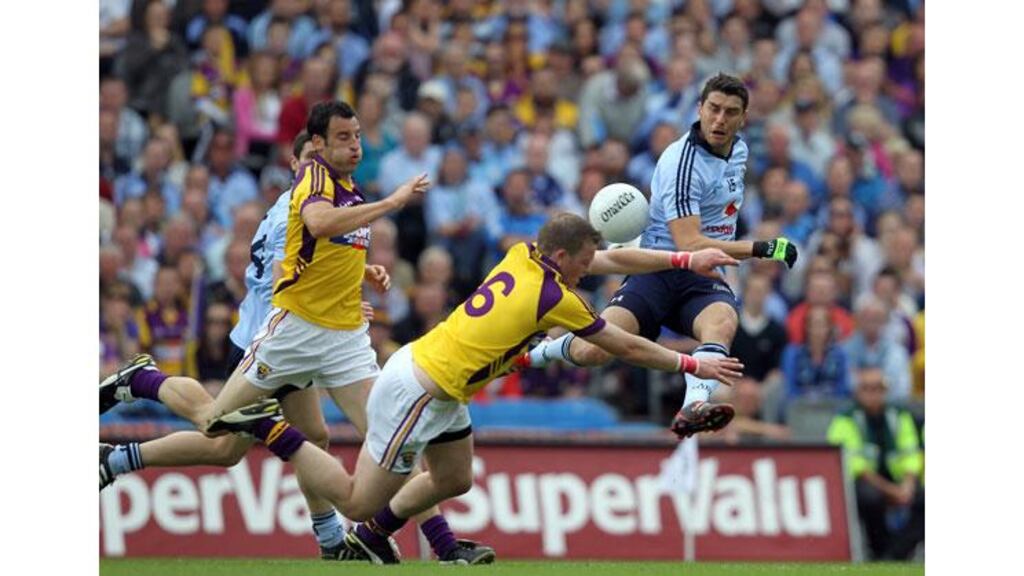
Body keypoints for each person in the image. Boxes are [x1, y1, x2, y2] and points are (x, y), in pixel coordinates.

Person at [205, 213, 744, 564]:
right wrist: (690, 364)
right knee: (357, 497)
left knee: (454, 478)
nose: (588, 272)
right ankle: (269, 428)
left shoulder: (524, 254)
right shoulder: (555, 297)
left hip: (440, 383)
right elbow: (623, 345)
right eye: (582, 265)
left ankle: (374, 541)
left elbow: (613, 259)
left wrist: (682, 259)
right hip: (420, 389)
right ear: (562, 258)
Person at [100, 101, 488, 564]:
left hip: (337, 337)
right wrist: (388, 209)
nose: (350, 148)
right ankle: (139, 385)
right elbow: (297, 256)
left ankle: (374, 543)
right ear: (303, 159)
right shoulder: (309, 192)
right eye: (335, 143)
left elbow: (321, 253)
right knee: (219, 434)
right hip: (276, 333)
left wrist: (360, 276)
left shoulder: (343, 189)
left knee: (372, 438)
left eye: (356, 138)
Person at [523, 74, 798, 438]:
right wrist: (762, 248)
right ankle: (542, 352)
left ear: (743, 118)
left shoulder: (740, 151)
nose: (720, 119)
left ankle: (693, 406)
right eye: (713, 109)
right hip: (657, 270)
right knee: (596, 351)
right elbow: (690, 244)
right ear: (699, 109)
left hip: (701, 277)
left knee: (721, 322)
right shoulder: (682, 163)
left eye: (730, 112)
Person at [827, 368, 924, 560]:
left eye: (878, 388)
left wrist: (908, 485)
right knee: (869, 498)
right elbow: (855, 465)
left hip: (898, 479)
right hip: (867, 483)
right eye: (867, 388)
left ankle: (896, 554)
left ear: (885, 391)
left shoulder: (899, 415)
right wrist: (891, 491)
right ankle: (879, 550)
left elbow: (911, 452)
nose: (873, 394)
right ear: (857, 392)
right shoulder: (845, 419)